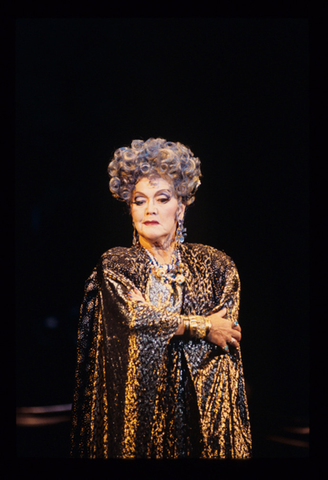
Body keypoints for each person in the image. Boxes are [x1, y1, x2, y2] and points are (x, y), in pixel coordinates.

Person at [70, 138, 252, 459]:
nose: (150, 208)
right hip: (138, 416)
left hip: (199, 421)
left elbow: (222, 339)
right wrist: (200, 326)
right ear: (130, 209)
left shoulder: (215, 266)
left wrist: (161, 325)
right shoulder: (117, 264)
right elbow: (135, 319)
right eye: (140, 201)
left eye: (162, 198)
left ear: (180, 207)